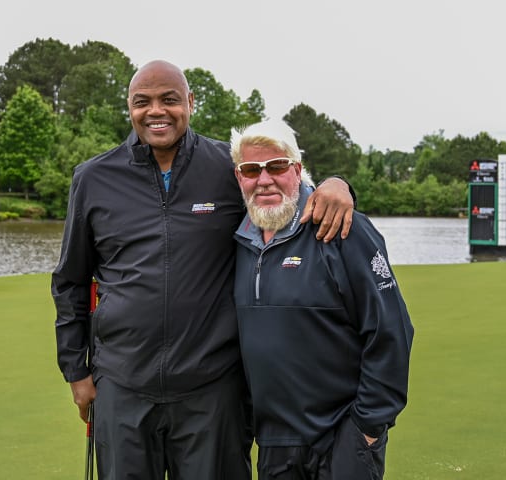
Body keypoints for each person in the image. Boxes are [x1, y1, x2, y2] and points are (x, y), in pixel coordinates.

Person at [51, 60, 356, 480]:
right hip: (122, 386)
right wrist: (76, 370)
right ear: (129, 107)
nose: (156, 111)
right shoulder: (93, 178)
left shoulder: (226, 168)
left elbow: (284, 186)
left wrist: (337, 184)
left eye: (169, 100)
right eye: (143, 102)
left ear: (190, 103)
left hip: (212, 390)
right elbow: (70, 281)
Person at [230, 120, 414, 480]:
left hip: (342, 438)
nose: (264, 179)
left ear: (297, 170)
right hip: (274, 445)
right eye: (251, 169)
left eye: (277, 166)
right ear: (239, 177)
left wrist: (367, 427)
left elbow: (391, 331)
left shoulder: (344, 228)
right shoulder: (238, 241)